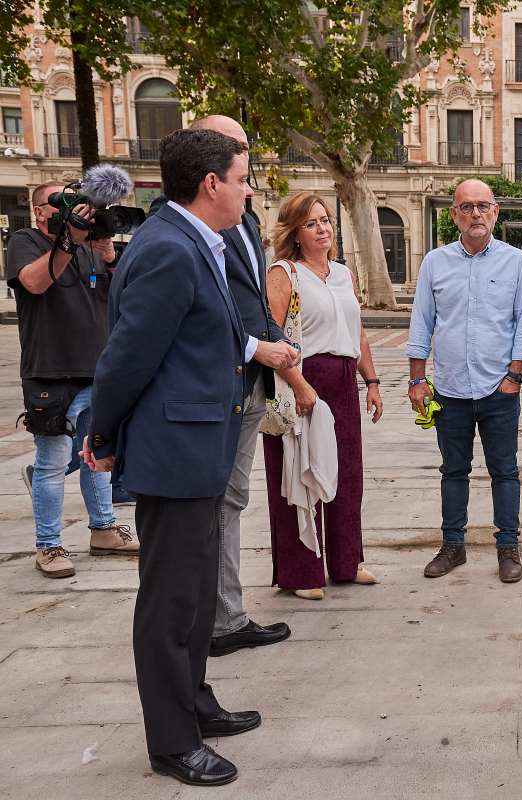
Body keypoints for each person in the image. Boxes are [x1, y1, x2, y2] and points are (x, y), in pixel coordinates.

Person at [84, 128, 274, 786]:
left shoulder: (196, 241)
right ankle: (171, 741)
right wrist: (102, 434)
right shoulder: (169, 249)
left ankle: (194, 702)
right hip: (174, 450)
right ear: (212, 183)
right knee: (169, 602)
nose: (250, 190)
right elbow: (127, 356)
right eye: (244, 178)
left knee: (192, 594)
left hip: (199, 446)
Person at [190, 115, 293, 658]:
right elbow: (206, 314)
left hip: (252, 381)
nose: (244, 159)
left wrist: (276, 345)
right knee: (212, 504)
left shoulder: (246, 219)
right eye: (233, 149)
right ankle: (212, 620)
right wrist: (258, 347)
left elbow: (250, 298)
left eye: (245, 146)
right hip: (218, 385)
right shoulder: (185, 229)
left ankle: (229, 615)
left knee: (231, 500)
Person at [407, 179, 522, 584]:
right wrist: (417, 380)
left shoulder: (515, 262)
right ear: (454, 215)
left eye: (483, 206)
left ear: (495, 212)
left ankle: (508, 547)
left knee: (505, 472)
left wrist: (514, 377)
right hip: (448, 389)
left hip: (498, 389)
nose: (476, 214)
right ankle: (453, 546)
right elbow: (421, 322)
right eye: (467, 207)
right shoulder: (435, 262)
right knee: (453, 471)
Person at [5, 181, 136, 579]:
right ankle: (49, 544)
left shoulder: (90, 246)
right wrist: (68, 241)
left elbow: (124, 298)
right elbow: (34, 282)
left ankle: (104, 529)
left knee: (97, 456)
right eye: (60, 202)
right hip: (51, 370)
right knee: (52, 462)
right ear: (40, 210)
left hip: (98, 369)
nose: (73, 210)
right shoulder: (25, 241)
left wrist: (110, 256)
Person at [263, 191, 383, 601]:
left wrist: (372, 381)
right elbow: (272, 337)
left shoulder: (343, 273)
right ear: (295, 232)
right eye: (312, 222)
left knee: (347, 474)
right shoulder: (284, 273)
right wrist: (299, 384)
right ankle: (301, 572)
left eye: (326, 220)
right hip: (301, 380)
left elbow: (358, 331)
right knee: (299, 475)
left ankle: (347, 562)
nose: (323, 228)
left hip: (344, 379)